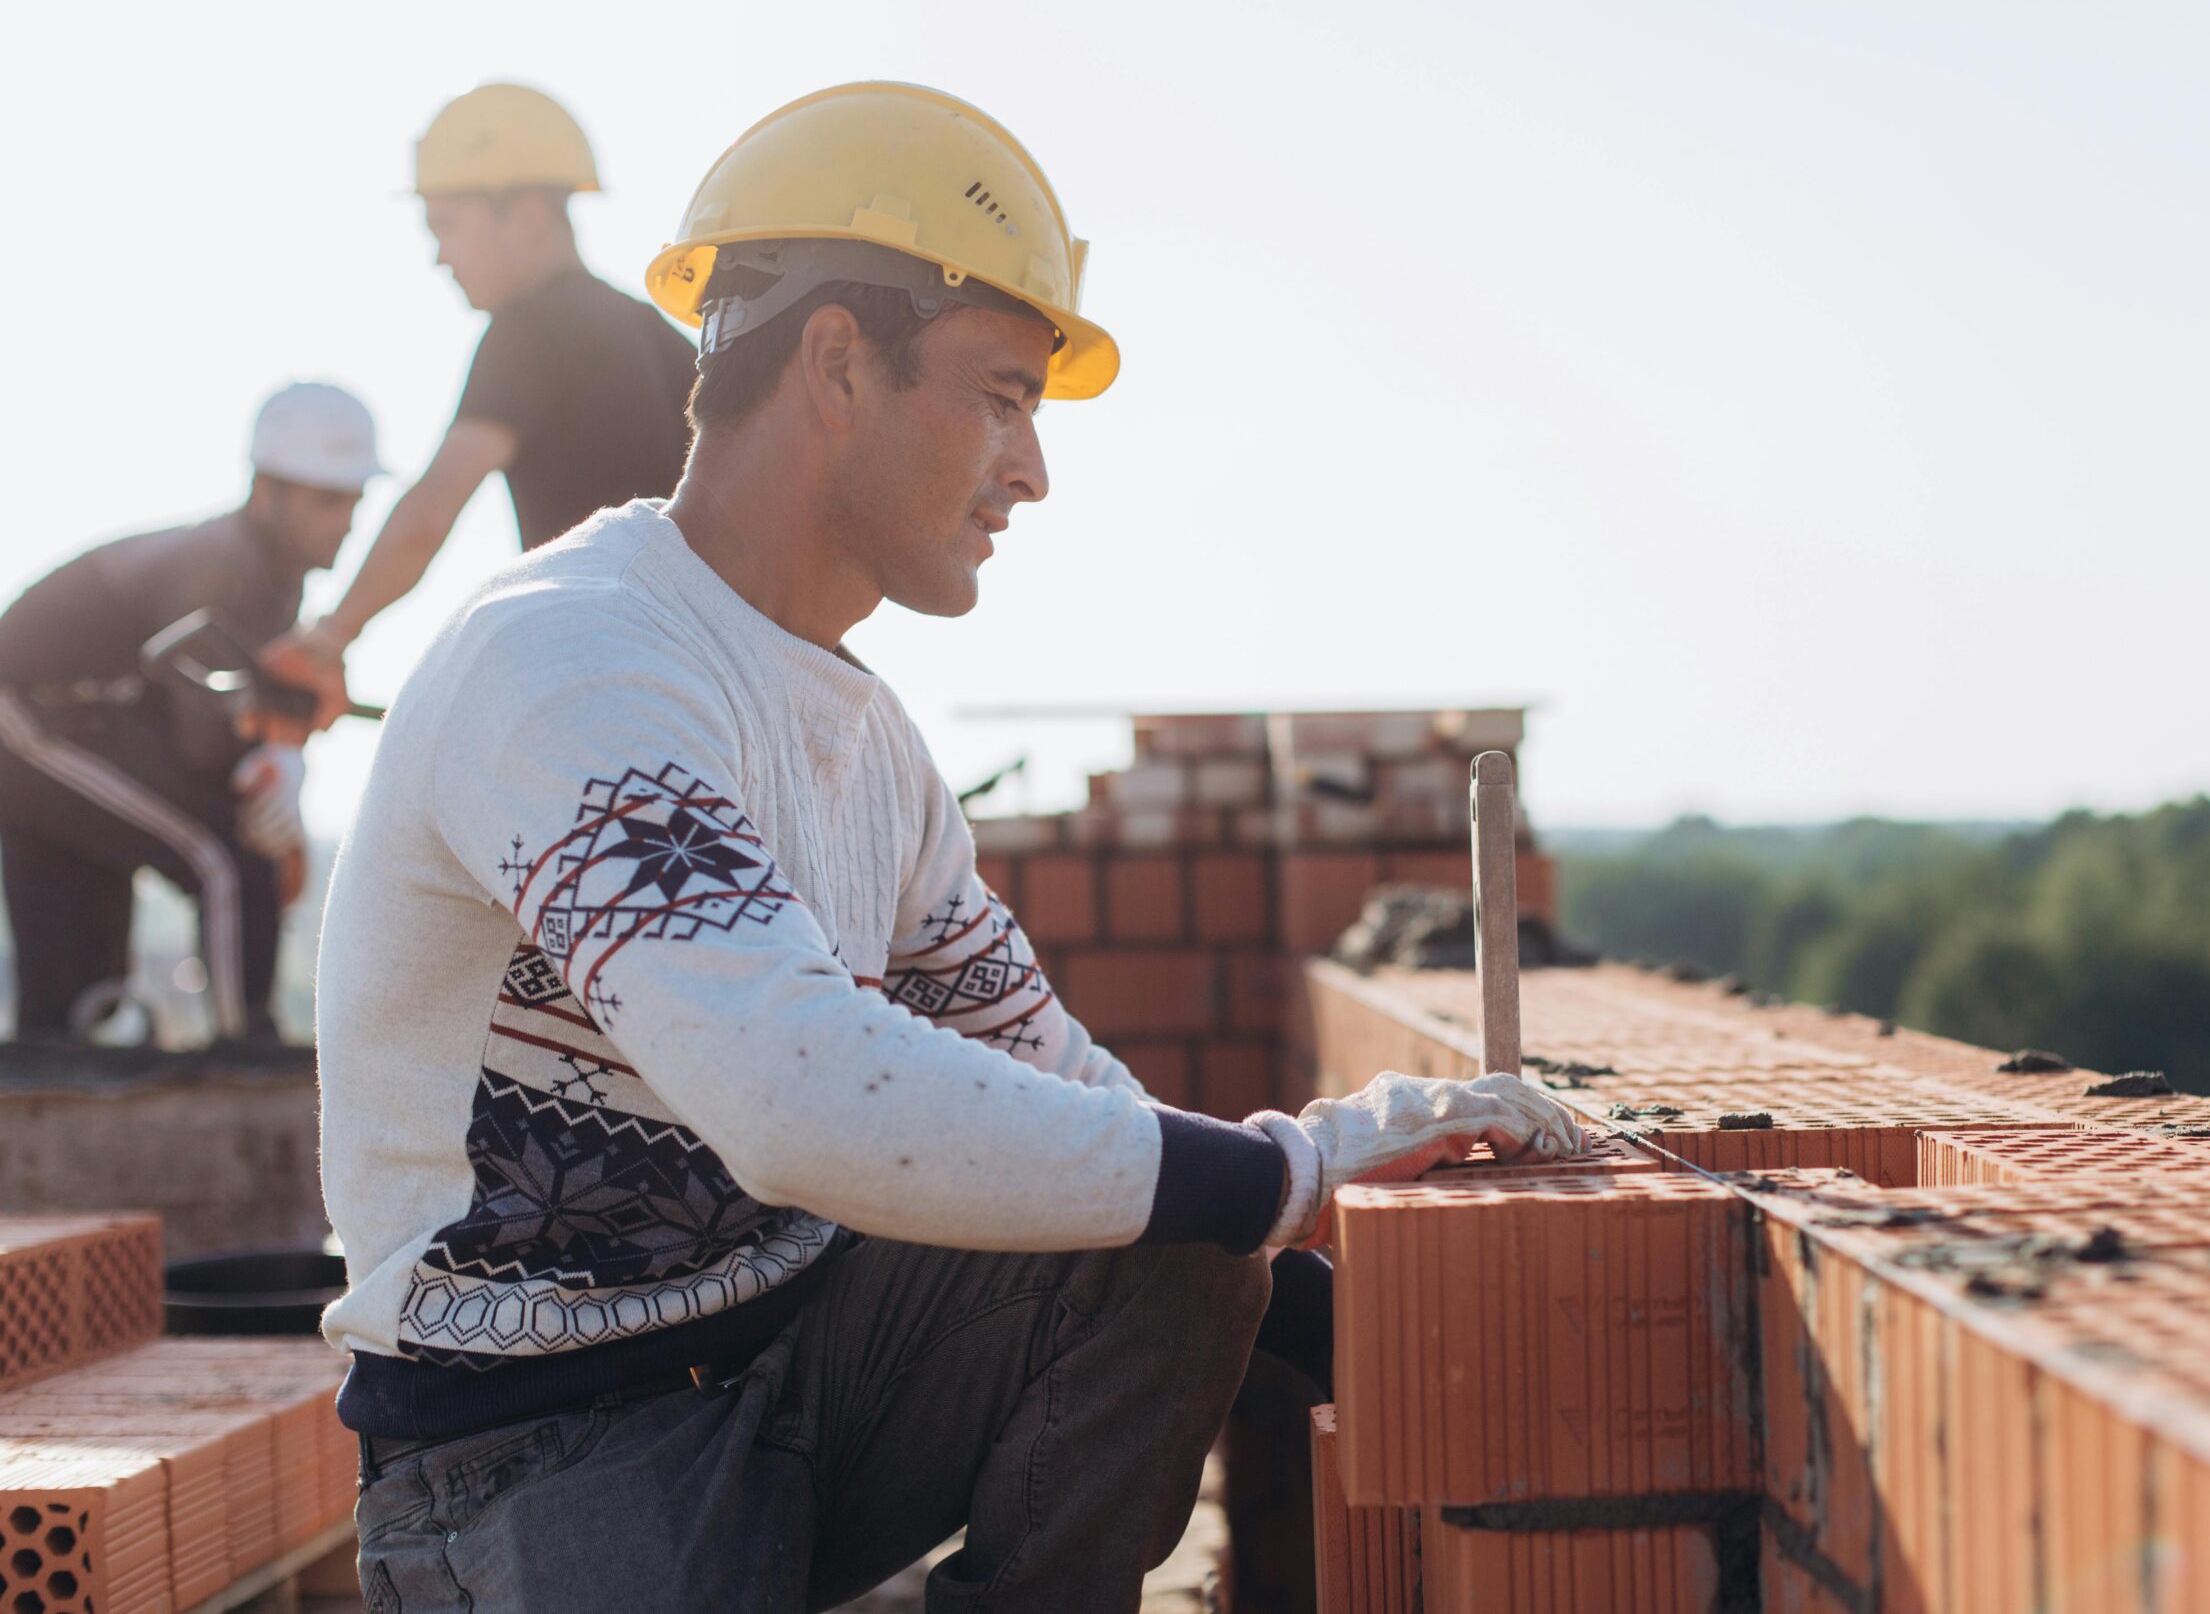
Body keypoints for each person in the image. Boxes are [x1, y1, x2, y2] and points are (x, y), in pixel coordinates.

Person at [317, 82, 1583, 1612]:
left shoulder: (868, 742)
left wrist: (1345, 1289)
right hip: (539, 1456)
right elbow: (796, 1091)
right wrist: (1287, 1168)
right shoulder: (577, 662)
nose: (1032, 469)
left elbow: (1061, 1095)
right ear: (839, 360)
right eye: (1000, 393)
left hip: (792, 1369)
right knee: (1204, 1197)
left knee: (1174, 1235)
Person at [260, 83, 696, 722]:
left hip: (623, 682)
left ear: (527, 213)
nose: (440, 257)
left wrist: (326, 641)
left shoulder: (529, 329)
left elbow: (428, 516)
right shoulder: (658, 337)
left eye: (448, 227)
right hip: (720, 675)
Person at [0, 382, 378, 1050]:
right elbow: (206, 740)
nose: (345, 520)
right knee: (225, 858)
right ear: (268, 493)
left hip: (94, 726)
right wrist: (275, 773)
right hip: (29, 720)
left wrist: (277, 763)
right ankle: (248, 1053)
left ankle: (59, 1068)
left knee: (70, 1002)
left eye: (352, 500)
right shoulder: (221, 566)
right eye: (327, 500)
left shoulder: (276, 580)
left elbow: (223, 724)